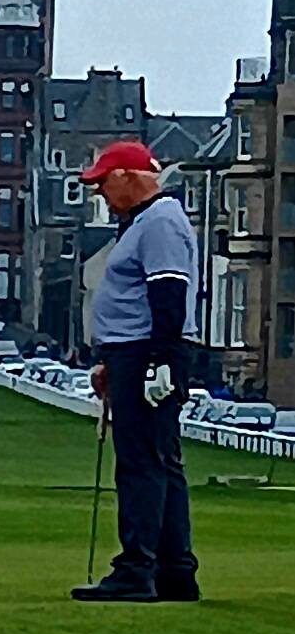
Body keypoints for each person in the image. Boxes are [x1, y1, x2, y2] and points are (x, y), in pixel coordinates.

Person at [74, 142, 201, 603]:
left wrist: (157, 362)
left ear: (127, 177)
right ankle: (174, 572)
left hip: (146, 352)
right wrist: (110, 361)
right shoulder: (146, 222)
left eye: (103, 183)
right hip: (135, 354)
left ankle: (137, 568)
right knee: (161, 462)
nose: (101, 195)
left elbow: (168, 295)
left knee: (141, 463)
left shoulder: (159, 223)